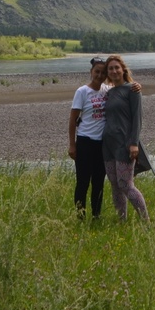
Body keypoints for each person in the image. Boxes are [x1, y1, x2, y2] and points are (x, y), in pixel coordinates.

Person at [101, 54, 150, 221]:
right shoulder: (109, 92)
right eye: (110, 69)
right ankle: (122, 221)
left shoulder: (132, 90)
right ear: (107, 73)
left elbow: (137, 118)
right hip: (108, 145)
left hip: (124, 144)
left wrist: (134, 143)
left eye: (117, 67)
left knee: (126, 185)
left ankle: (146, 221)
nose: (114, 71)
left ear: (123, 70)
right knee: (115, 185)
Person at [68, 57, 109, 220]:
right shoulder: (82, 92)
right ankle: (80, 216)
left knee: (99, 182)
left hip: (102, 145)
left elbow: (123, 86)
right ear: (91, 72)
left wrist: (136, 86)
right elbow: (72, 120)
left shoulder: (107, 89)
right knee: (83, 182)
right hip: (85, 142)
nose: (100, 75)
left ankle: (96, 216)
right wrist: (72, 145)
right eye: (97, 71)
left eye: (103, 72)